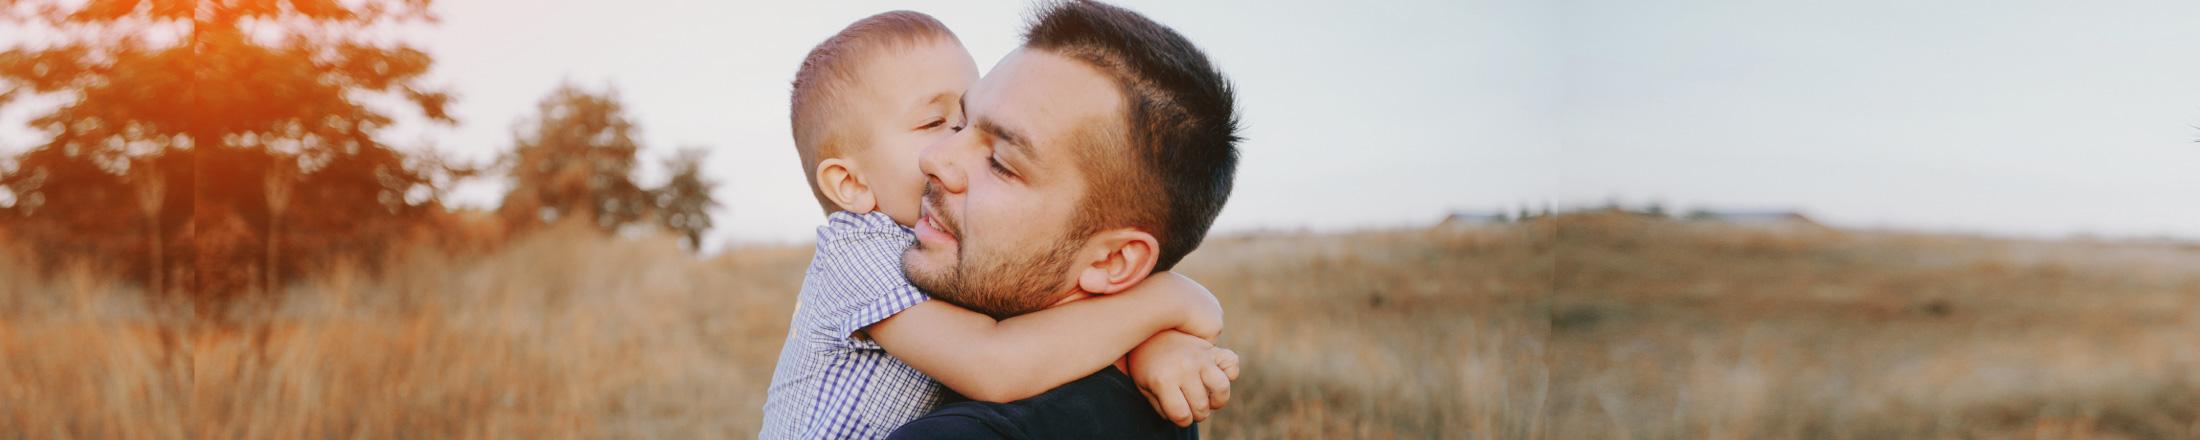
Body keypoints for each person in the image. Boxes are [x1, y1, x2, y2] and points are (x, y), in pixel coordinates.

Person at [759, 10, 1240, 440]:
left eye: (1002, 163)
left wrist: (1149, 348)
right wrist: (1167, 300)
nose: (937, 157)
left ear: (1115, 260)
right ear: (848, 181)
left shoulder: (966, 262)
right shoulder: (860, 253)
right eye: (945, 123)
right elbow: (995, 362)